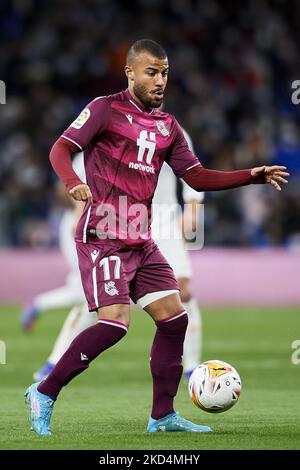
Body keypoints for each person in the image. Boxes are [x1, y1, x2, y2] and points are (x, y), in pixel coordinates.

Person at [24, 39, 289, 435]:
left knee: (174, 317)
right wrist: (73, 182)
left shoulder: (169, 127)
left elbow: (196, 176)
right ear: (130, 71)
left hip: (141, 241)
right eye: (152, 72)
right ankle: (43, 392)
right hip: (102, 236)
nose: (160, 80)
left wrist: (250, 176)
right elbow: (60, 149)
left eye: (164, 72)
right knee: (115, 323)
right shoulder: (104, 109)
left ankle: (162, 415)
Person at [33, 131, 203, 383]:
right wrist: (82, 215)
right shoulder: (105, 129)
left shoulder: (171, 130)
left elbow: (191, 172)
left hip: (164, 222)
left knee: (183, 292)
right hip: (119, 223)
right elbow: (82, 178)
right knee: (101, 299)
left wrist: (193, 207)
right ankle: (54, 361)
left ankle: (191, 368)